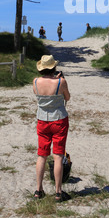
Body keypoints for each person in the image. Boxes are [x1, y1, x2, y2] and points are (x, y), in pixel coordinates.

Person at [33, 54, 71, 202]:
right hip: (59, 120)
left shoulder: (35, 82)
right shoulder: (61, 82)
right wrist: (59, 80)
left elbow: (39, 94)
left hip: (42, 120)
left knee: (42, 155)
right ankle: (58, 191)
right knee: (58, 155)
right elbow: (67, 98)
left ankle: (38, 190)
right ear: (53, 67)